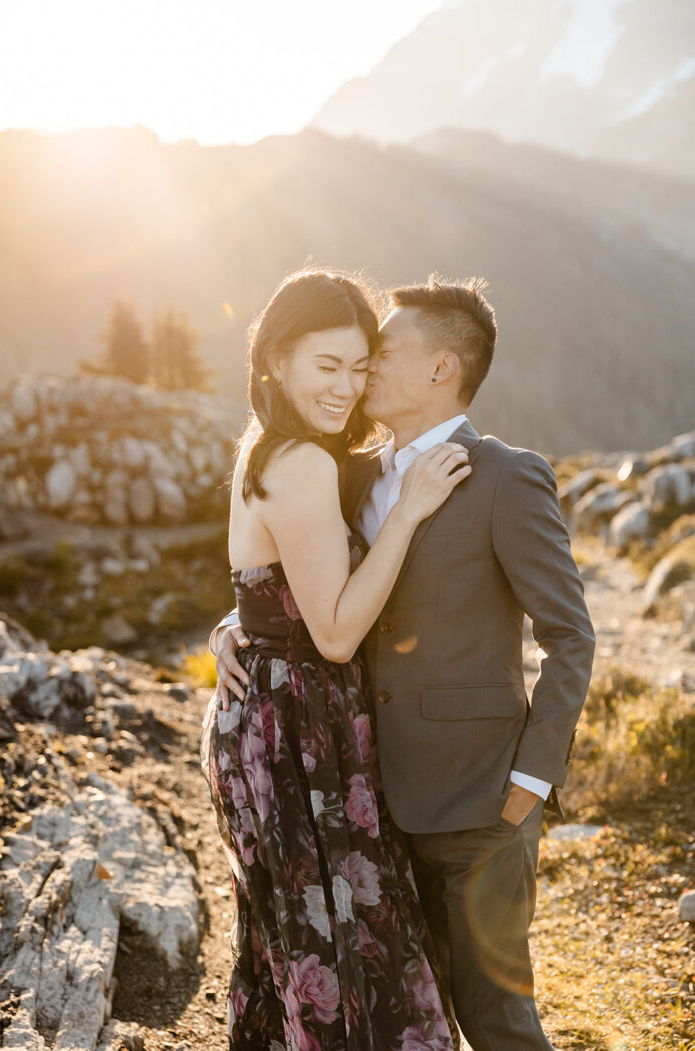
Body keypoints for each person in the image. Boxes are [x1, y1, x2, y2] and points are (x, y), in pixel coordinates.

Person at [213, 273, 596, 1051]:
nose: (363, 372)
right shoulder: (350, 469)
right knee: (405, 1005)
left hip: (477, 798)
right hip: (363, 792)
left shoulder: (504, 476)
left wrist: (530, 782)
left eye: (379, 354)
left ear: (439, 369)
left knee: (492, 1015)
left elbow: (570, 635)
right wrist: (237, 627)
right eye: (345, 362)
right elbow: (297, 575)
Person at [201, 267, 472, 1050]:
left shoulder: (273, 446)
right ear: (276, 358)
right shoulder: (305, 463)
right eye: (328, 366)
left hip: (276, 721)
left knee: (298, 942)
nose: (347, 388)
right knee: (339, 939)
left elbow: (268, 586)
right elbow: (334, 633)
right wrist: (410, 510)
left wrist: (233, 626)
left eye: (360, 368)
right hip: (294, 735)